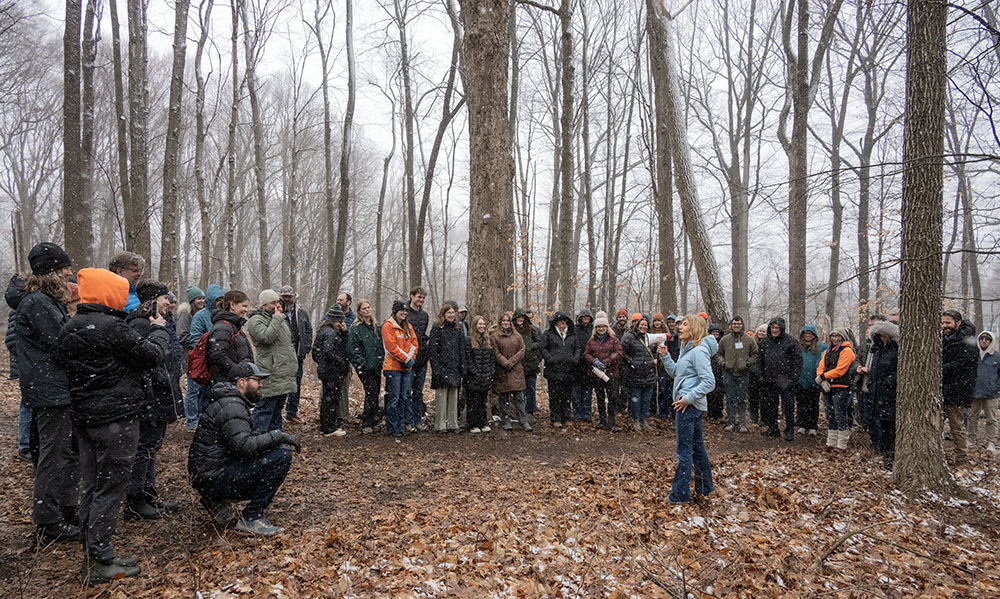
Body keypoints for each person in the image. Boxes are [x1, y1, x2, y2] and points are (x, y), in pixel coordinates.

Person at [58, 268, 163, 584]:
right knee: (110, 487)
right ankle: (101, 558)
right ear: (110, 295)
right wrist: (157, 329)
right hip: (116, 418)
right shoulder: (113, 328)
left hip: (85, 418)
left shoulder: (70, 326)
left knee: (92, 484)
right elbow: (152, 356)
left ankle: (93, 553)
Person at [6, 243, 79, 543]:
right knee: (54, 455)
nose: (70, 273)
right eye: (65, 268)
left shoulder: (47, 301)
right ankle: (49, 523)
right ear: (51, 271)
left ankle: (66, 509)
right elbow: (61, 344)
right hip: (51, 391)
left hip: (57, 388)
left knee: (66, 452)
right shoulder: (37, 303)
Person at [188, 361, 299, 537]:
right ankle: (252, 517)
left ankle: (216, 500)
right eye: (257, 380)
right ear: (242, 382)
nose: (261, 385)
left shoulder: (231, 403)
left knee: (275, 452)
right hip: (212, 478)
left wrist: (273, 440)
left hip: (207, 476)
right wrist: (278, 436)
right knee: (281, 457)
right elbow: (244, 446)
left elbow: (245, 442)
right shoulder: (232, 407)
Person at [123, 281, 183, 520]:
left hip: (160, 396)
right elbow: (143, 361)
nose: (169, 301)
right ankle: (135, 501)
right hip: (149, 398)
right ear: (151, 300)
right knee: (143, 448)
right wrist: (158, 381)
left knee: (151, 448)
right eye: (164, 297)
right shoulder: (140, 323)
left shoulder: (159, 322)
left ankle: (148, 494)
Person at [660, 314, 717, 505]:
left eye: (684, 324)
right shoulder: (687, 349)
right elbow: (677, 372)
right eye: (680, 324)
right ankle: (704, 488)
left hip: (688, 406)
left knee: (684, 451)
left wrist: (687, 399)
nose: (679, 327)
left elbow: (709, 382)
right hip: (690, 405)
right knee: (697, 448)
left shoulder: (699, 351)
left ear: (695, 329)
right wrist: (665, 356)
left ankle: (679, 496)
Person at [245, 289, 298, 432]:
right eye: (273, 303)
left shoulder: (279, 318)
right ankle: (257, 439)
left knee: (277, 410)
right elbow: (266, 338)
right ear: (264, 305)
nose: (277, 305)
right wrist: (277, 318)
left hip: (283, 372)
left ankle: (275, 439)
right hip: (270, 372)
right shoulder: (256, 320)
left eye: (277, 302)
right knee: (265, 409)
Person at [184, 284, 225, 429]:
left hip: (215, 361)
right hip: (199, 359)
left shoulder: (222, 315)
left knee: (208, 391)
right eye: (217, 299)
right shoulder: (201, 316)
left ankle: (204, 418)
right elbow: (195, 339)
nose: (220, 302)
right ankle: (192, 421)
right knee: (194, 391)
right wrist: (209, 348)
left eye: (222, 299)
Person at [940, 310, 978, 463]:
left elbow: (962, 364)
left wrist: (939, 368)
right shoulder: (943, 338)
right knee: (935, 425)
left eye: (948, 323)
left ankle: (962, 458)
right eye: (943, 323)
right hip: (942, 387)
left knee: (956, 426)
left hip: (958, 389)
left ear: (958, 322)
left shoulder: (968, 340)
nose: (945, 326)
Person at [758, 317, 803, 441]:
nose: (774, 330)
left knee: (788, 406)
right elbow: (760, 361)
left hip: (786, 381)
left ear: (782, 329)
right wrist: (762, 376)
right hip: (770, 380)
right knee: (771, 405)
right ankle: (773, 429)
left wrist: (793, 378)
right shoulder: (764, 342)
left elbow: (798, 361)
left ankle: (789, 430)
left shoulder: (791, 341)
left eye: (777, 328)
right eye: (772, 327)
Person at [347, 299, 384, 434]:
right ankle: (367, 422)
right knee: (371, 391)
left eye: (368, 307)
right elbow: (352, 349)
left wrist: (380, 361)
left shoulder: (376, 326)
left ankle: (374, 419)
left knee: (376, 392)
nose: (367, 310)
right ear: (359, 311)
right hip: (365, 367)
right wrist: (363, 363)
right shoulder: (356, 328)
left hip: (376, 365)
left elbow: (380, 346)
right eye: (364, 308)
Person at [816, 327, 856, 450]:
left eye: (838, 336)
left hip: (842, 386)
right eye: (833, 336)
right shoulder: (828, 351)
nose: (835, 338)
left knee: (840, 414)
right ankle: (831, 442)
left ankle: (842, 444)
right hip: (828, 386)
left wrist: (823, 376)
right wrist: (821, 378)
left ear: (843, 337)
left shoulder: (847, 351)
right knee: (830, 414)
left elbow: (840, 370)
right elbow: (821, 366)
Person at [382, 300, 418, 437]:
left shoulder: (408, 327)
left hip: (406, 368)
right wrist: (406, 359)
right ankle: (392, 427)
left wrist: (411, 358)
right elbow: (391, 348)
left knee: (404, 397)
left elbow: (414, 344)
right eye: (401, 310)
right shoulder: (388, 326)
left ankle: (401, 425)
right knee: (394, 398)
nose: (404, 313)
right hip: (393, 368)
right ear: (395, 311)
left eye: (406, 311)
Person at [716, 316, 758, 432]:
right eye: (734, 324)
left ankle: (743, 424)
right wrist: (723, 363)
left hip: (743, 373)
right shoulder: (725, 340)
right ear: (731, 325)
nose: (736, 326)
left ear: (742, 325)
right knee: (730, 399)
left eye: (739, 324)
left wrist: (747, 364)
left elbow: (755, 354)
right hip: (728, 373)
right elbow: (718, 354)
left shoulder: (749, 340)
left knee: (742, 399)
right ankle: (730, 422)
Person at [867, 321, 899, 469]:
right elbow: (873, 369)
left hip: (889, 394)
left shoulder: (896, 350)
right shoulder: (877, 350)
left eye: (884, 336)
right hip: (877, 393)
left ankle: (891, 457)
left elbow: (898, 371)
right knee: (880, 425)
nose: (883, 339)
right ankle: (885, 453)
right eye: (880, 336)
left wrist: (888, 382)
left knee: (890, 427)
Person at [313, 308, 350, 436]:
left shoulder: (325, 331)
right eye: (340, 321)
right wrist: (341, 363)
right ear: (334, 321)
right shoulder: (331, 334)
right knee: (331, 400)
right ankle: (329, 428)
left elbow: (316, 352)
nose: (342, 323)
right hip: (332, 372)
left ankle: (328, 426)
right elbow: (329, 352)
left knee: (328, 399)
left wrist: (344, 333)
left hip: (327, 370)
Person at [278, 286, 313, 425]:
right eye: (284, 296)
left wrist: (307, 346)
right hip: (282, 356)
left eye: (289, 296)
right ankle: (277, 413)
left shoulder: (301, 313)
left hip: (298, 354)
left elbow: (309, 330)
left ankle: (292, 413)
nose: (287, 298)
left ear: (294, 297)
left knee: (296, 385)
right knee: (281, 385)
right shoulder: (276, 312)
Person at [429, 302, 465, 433]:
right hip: (442, 366)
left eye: (452, 313)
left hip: (455, 367)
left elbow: (461, 349)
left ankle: (452, 423)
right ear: (443, 314)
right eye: (448, 313)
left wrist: (462, 367)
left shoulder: (458, 328)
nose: (451, 315)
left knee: (453, 397)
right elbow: (433, 349)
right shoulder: (437, 328)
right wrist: (436, 368)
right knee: (441, 397)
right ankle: (440, 425)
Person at [621, 314, 661, 431]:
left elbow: (656, 350)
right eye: (641, 325)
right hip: (635, 373)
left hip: (649, 373)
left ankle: (644, 419)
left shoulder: (651, 338)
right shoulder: (628, 337)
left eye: (645, 325)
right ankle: (636, 420)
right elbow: (623, 353)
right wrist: (632, 363)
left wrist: (656, 358)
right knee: (636, 398)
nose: (643, 327)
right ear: (637, 325)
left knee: (647, 399)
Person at [584, 313, 623, 431]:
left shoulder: (614, 340)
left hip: (611, 373)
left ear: (607, 327)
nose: (601, 329)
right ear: (595, 328)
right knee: (600, 398)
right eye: (599, 327)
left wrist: (607, 361)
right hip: (596, 374)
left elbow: (619, 353)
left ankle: (612, 422)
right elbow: (586, 354)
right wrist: (594, 361)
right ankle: (602, 420)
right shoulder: (591, 341)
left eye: (603, 326)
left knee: (613, 398)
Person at [207, 290, 254, 386]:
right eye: (244, 306)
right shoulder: (223, 327)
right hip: (227, 383)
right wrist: (236, 371)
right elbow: (217, 355)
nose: (246, 310)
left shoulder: (233, 327)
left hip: (233, 382)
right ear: (232, 305)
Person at [541, 311, 579, 427]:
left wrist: (575, 358)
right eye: (560, 321)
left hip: (569, 370)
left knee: (567, 396)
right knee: (555, 396)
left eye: (564, 321)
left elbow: (578, 348)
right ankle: (555, 418)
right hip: (553, 370)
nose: (562, 323)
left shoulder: (572, 334)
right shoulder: (548, 334)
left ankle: (566, 417)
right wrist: (550, 359)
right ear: (556, 322)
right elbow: (543, 349)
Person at [494, 312, 530, 431]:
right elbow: (495, 352)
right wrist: (505, 362)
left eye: (507, 321)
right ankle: (506, 420)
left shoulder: (517, 336)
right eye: (503, 321)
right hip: (502, 370)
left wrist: (512, 362)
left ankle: (523, 421)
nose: (506, 323)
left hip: (516, 370)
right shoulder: (495, 336)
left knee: (519, 398)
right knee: (503, 398)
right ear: (500, 322)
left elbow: (522, 350)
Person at [463, 316, 496, 433]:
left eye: (483, 324)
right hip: (473, 377)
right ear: (474, 325)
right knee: (473, 401)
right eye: (479, 324)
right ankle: (472, 424)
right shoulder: (468, 340)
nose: (481, 326)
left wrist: (489, 373)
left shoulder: (489, 340)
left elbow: (492, 359)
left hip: (486, 376)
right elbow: (468, 360)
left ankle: (482, 422)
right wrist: (476, 373)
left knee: (483, 401)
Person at [405, 287, 430, 432]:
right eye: (419, 297)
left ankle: (417, 419)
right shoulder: (404, 313)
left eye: (423, 298)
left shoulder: (424, 315)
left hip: (422, 358)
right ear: (411, 296)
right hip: (408, 358)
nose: (421, 300)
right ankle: (407, 421)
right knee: (407, 392)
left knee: (418, 392)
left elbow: (421, 334)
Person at [971, 331, 999, 452]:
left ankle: (991, 442)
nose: (984, 341)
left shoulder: (997, 356)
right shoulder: (973, 355)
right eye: (982, 339)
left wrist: (996, 387)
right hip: (974, 392)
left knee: (991, 419)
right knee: (972, 417)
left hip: (991, 394)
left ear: (991, 341)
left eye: (987, 339)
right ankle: (971, 440)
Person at [795, 325, 826, 436]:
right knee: (801, 404)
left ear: (814, 335)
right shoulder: (798, 347)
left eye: (810, 334)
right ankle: (802, 425)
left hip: (815, 380)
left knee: (813, 404)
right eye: (806, 333)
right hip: (800, 380)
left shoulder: (821, 347)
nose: (808, 336)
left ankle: (813, 426)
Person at [513, 308, 542, 420]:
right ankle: (520, 411)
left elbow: (539, 342)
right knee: (519, 390)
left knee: (531, 389)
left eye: (522, 317)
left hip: (531, 364)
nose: (520, 320)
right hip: (518, 364)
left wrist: (530, 348)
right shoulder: (512, 330)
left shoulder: (531, 329)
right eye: (518, 317)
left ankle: (530, 411)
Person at [572, 309, 595, 421]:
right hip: (577, 365)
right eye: (583, 316)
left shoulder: (593, 330)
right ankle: (577, 412)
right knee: (576, 391)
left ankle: (587, 413)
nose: (585, 318)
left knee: (588, 391)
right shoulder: (575, 330)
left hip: (590, 365)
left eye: (587, 316)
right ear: (580, 318)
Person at [650, 313, 673, 418]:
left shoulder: (667, 334)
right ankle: (653, 410)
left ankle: (664, 411)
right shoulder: (649, 334)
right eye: (655, 321)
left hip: (664, 365)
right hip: (652, 365)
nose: (657, 323)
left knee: (664, 389)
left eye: (659, 321)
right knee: (653, 389)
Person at [706, 324, 726, 421]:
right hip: (709, 369)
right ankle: (710, 413)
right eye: (713, 332)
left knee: (719, 393)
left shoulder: (722, 343)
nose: (715, 334)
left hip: (720, 370)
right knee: (710, 393)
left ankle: (718, 413)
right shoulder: (706, 343)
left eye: (717, 332)